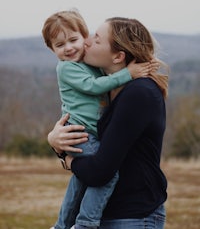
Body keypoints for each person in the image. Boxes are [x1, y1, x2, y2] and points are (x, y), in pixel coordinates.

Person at [48, 16, 169, 229]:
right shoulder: (110, 89)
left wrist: (67, 160)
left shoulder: (139, 93)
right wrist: (56, 140)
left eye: (96, 39)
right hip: (110, 213)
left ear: (118, 56)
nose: (86, 42)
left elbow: (100, 170)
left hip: (133, 216)